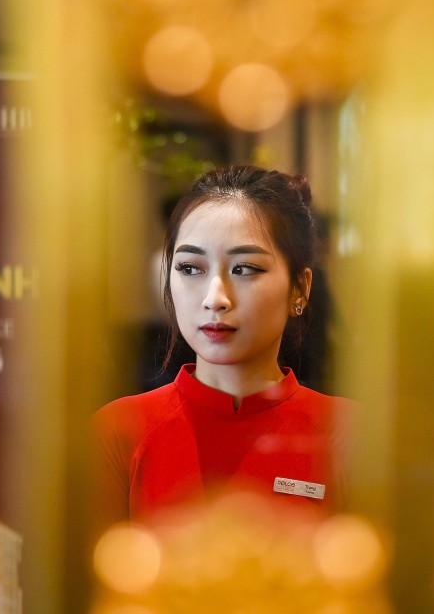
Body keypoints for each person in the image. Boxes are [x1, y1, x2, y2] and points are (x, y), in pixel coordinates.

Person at [93, 165, 355, 523]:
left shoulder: (347, 431)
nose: (215, 299)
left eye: (245, 268)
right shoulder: (119, 430)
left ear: (300, 288)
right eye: (190, 268)